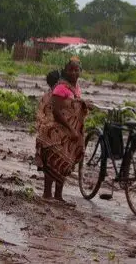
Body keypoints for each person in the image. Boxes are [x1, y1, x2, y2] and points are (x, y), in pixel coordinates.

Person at [35, 57, 91, 203]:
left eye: (76, 70)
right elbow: (57, 112)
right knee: (53, 161)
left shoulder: (76, 87)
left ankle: (58, 196)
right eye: (70, 70)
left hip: (69, 131)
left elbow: (74, 105)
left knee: (64, 162)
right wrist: (71, 129)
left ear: (80, 71)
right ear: (64, 71)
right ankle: (47, 194)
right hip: (57, 130)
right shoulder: (61, 87)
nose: (74, 73)